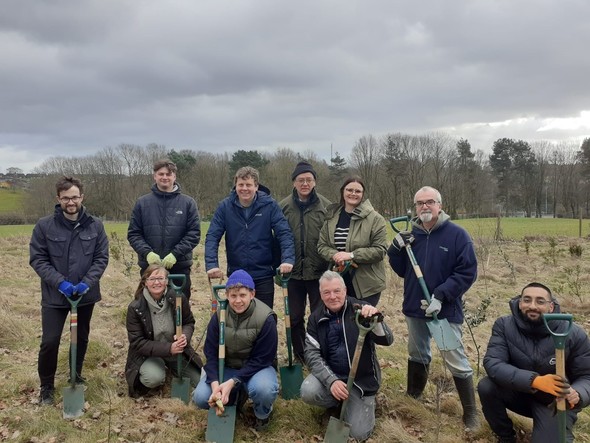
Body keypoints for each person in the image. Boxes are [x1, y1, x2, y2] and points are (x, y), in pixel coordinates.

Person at [387, 185, 479, 430]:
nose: (425, 206)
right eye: (420, 203)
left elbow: (467, 272)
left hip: (443, 311)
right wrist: (395, 249)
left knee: (454, 357)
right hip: (415, 307)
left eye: (430, 202)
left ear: (440, 205)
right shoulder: (412, 236)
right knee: (417, 353)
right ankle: (413, 397)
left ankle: (470, 414)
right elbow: (402, 270)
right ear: (415, 208)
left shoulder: (457, 235)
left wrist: (441, 295)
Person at [30, 176, 109, 405]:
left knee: (81, 338)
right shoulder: (44, 226)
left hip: (85, 295)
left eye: (74, 197)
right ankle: (46, 385)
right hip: (55, 296)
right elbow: (38, 259)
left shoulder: (95, 225)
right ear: (58, 199)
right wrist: (60, 283)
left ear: (82, 197)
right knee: (50, 341)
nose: (71, 202)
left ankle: (76, 373)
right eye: (66, 198)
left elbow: (101, 258)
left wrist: (87, 282)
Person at [478, 282, 590, 443]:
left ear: (551, 307)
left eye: (540, 301)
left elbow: (587, 375)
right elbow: (493, 363)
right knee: (486, 386)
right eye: (527, 300)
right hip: (518, 392)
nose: (532, 306)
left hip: (554, 403)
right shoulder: (504, 325)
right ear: (520, 302)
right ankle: (506, 437)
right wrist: (535, 381)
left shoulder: (573, 334)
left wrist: (577, 394)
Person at [301, 270, 393, 441]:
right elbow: (312, 354)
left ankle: (359, 403)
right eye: (326, 292)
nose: (332, 296)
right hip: (333, 376)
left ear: (345, 291)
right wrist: (332, 381)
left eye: (337, 291)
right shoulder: (315, 318)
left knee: (359, 434)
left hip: (361, 383)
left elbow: (387, 340)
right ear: (321, 295)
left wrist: (376, 320)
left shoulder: (360, 310)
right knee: (308, 391)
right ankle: (338, 401)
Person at [193, 269, 278, 431]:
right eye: (233, 296)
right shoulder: (219, 316)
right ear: (226, 295)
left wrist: (233, 382)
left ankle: (262, 414)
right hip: (227, 367)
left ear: (252, 294)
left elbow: (263, 359)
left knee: (263, 390)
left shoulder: (265, 318)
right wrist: (215, 386)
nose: (238, 301)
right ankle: (232, 398)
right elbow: (210, 355)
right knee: (201, 397)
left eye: (242, 295)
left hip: (256, 369)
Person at [205, 166, 295, 309]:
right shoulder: (225, 207)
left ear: (256, 186)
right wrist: (212, 264)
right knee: (238, 318)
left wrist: (288, 259)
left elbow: (284, 233)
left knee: (265, 317)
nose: (244, 189)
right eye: (241, 184)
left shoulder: (269, 205)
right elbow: (212, 236)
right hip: (237, 273)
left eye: (249, 185)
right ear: (236, 185)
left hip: (263, 273)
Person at [278, 161, 331, 362]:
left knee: (320, 316)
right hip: (292, 274)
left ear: (315, 182)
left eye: (309, 179)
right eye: (301, 180)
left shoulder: (326, 207)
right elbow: (275, 238)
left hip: (319, 272)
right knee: (294, 317)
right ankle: (300, 355)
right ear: (294, 183)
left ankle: (320, 353)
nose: (305, 183)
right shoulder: (282, 207)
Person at [125, 264, 202, 397]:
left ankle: (171, 367)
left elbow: (188, 322)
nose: (157, 282)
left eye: (160, 278)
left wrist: (184, 336)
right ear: (145, 282)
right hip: (149, 354)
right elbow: (137, 342)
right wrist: (169, 348)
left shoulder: (178, 298)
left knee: (199, 380)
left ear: (167, 281)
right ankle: (158, 368)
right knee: (154, 378)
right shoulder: (136, 308)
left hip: (177, 351)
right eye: (152, 279)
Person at [128, 159, 201, 299]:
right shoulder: (142, 203)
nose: (165, 177)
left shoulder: (188, 203)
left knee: (179, 309)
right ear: (154, 176)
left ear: (174, 176)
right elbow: (134, 234)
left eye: (169, 174)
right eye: (161, 174)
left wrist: (175, 254)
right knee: (149, 309)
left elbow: (193, 234)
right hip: (150, 269)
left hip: (179, 268)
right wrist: (147, 253)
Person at [317, 176, 387, 307]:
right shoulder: (331, 218)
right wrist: (335, 255)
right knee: (341, 323)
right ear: (343, 192)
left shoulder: (375, 219)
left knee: (363, 323)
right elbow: (322, 246)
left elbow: (380, 250)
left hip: (367, 285)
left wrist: (352, 255)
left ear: (362, 194)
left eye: (358, 191)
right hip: (338, 282)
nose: (353, 194)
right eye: (349, 190)